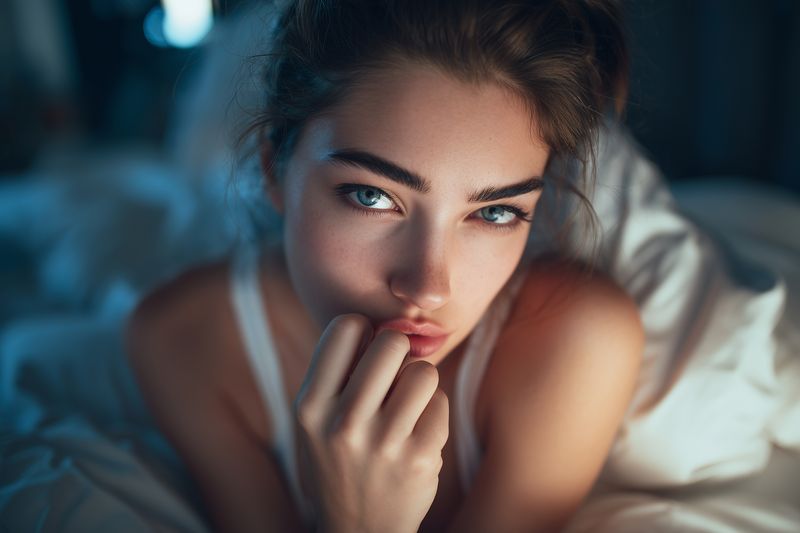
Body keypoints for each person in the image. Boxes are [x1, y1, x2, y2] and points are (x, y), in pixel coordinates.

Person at [125, 1, 644, 531]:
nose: (428, 287)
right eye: (371, 196)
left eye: (494, 212)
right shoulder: (182, 342)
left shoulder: (575, 341)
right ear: (273, 170)